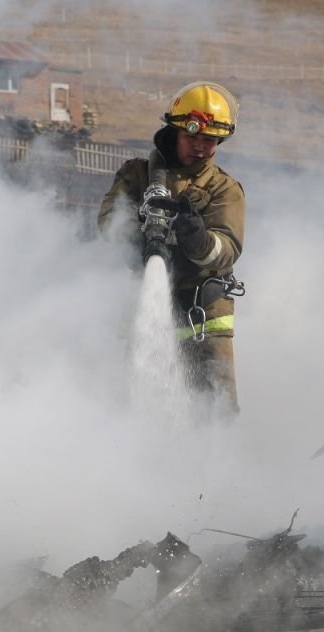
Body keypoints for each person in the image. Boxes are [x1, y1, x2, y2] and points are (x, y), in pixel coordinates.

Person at [98, 81, 246, 415]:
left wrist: (199, 240)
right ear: (175, 130)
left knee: (214, 411)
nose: (200, 147)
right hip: (143, 306)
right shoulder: (138, 175)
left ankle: (217, 450)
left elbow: (227, 247)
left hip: (203, 317)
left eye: (209, 141)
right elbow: (109, 220)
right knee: (132, 403)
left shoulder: (224, 190)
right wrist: (136, 237)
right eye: (193, 137)